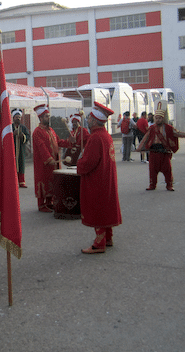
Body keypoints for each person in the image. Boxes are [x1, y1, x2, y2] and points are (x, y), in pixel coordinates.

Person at [77, 102, 121, 254]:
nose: (88, 120)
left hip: (97, 179)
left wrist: (79, 163)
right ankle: (108, 238)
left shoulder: (96, 137)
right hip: (105, 177)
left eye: (90, 118)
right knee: (105, 207)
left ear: (95, 121)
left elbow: (89, 162)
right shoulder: (105, 135)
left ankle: (99, 243)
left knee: (97, 208)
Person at [137, 109, 185, 191]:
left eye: (160, 118)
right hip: (153, 153)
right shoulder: (152, 128)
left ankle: (169, 185)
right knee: (152, 170)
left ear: (163, 119)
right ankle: (152, 185)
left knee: (167, 170)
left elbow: (178, 133)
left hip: (164, 153)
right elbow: (145, 138)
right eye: (156, 118)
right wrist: (140, 148)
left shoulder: (168, 128)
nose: (158, 120)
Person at [32, 104, 69, 212]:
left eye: (48, 116)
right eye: (46, 116)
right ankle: (41, 205)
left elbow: (59, 142)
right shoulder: (37, 132)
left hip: (54, 162)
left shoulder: (51, 130)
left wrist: (69, 142)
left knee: (52, 181)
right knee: (43, 181)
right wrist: (48, 158)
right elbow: (41, 147)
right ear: (40, 118)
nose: (49, 118)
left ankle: (49, 202)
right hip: (43, 163)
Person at [11, 109, 31, 188]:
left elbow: (28, 136)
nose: (18, 119)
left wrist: (23, 136)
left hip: (21, 149)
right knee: (12, 165)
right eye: (16, 117)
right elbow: (5, 137)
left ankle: (21, 182)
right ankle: (13, 182)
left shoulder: (23, 127)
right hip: (12, 150)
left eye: (19, 117)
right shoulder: (10, 127)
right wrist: (13, 134)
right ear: (13, 118)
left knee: (21, 164)